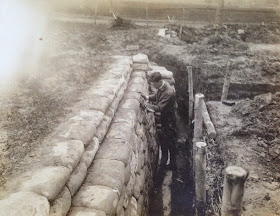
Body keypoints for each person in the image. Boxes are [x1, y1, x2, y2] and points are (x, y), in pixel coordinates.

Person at [141, 72, 177, 172]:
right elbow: (157, 96)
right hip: (165, 119)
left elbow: (159, 107)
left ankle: (173, 166)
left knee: (171, 143)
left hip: (169, 121)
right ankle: (165, 161)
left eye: (154, 84)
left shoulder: (168, 92)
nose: (153, 86)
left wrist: (147, 106)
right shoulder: (162, 86)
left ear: (159, 81)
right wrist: (147, 97)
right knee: (166, 142)